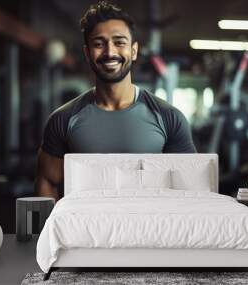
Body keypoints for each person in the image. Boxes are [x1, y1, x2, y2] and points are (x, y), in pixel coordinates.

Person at [35, 1, 196, 200]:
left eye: (119, 42)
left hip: (148, 229)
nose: (110, 52)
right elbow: (48, 182)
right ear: (87, 53)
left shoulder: (169, 118)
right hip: (85, 229)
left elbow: (190, 191)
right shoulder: (63, 119)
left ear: (134, 50)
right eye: (99, 43)